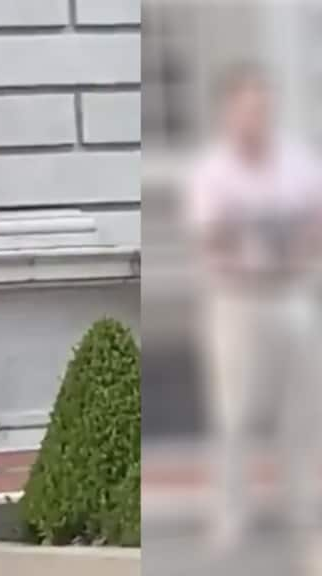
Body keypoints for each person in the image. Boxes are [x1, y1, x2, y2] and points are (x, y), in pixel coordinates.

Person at [183, 63, 322, 556]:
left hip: (291, 294)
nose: (256, 113)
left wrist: (293, 246)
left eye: (263, 104)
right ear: (229, 111)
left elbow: (315, 220)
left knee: (302, 410)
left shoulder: (296, 160)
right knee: (236, 415)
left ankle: (303, 508)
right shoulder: (213, 170)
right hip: (237, 301)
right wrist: (256, 238)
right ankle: (231, 516)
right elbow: (210, 236)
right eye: (247, 105)